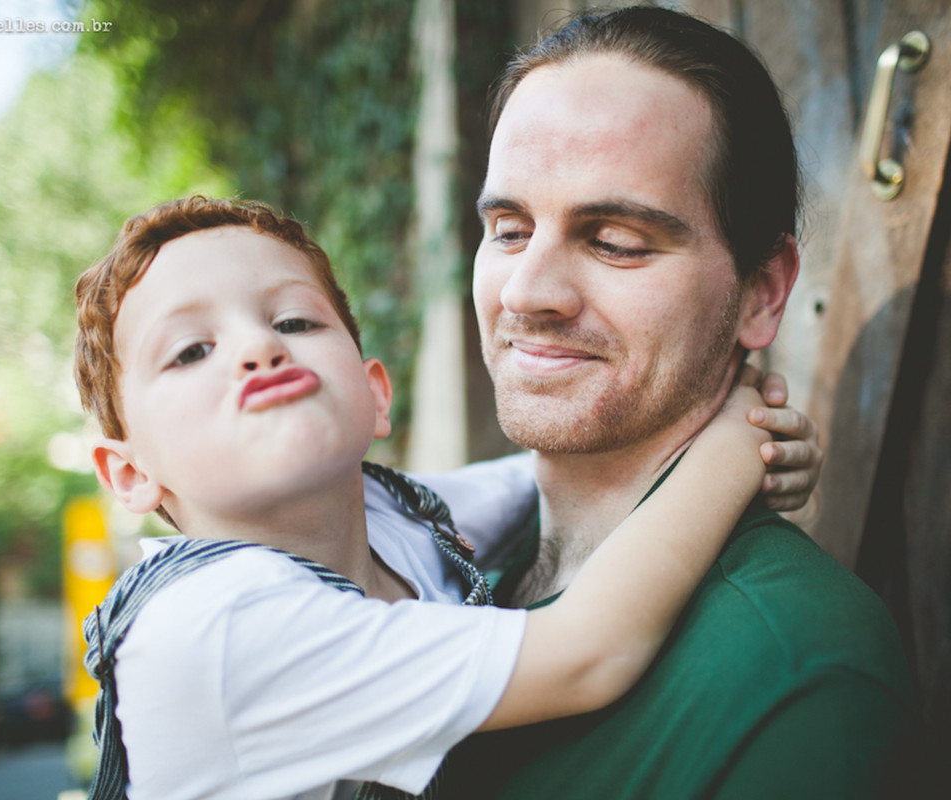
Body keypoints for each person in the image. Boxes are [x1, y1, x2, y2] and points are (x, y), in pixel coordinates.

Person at [71, 195, 816, 800]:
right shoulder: (214, 628)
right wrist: (736, 442)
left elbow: (555, 480)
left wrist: (684, 423)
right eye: (191, 351)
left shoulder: (389, 515)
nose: (258, 348)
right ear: (129, 473)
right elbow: (588, 653)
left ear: (374, 395)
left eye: (294, 321)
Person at [442, 7, 914, 799]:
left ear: (762, 294)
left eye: (615, 241)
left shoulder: (791, 668)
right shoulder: (438, 571)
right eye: (510, 229)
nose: (526, 292)